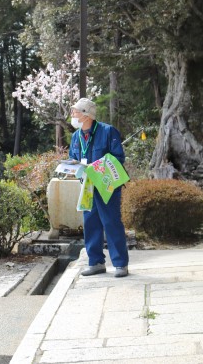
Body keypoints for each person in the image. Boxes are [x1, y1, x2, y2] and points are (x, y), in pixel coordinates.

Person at [69, 98, 129, 278]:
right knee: (90, 224)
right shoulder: (76, 136)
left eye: (75, 111)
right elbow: (73, 157)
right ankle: (95, 262)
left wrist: (96, 168)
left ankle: (120, 264)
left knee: (111, 222)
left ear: (86, 114)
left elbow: (118, 158)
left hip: (106, 186)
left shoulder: (108, 131)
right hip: (87, 186)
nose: (72, 115)